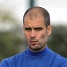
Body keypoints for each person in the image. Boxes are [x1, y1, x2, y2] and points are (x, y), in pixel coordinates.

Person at [0, 6, 67, 67]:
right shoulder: (8, 64)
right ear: (23, 30)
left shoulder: (61, 64)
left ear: (48, 30)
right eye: (28, 29)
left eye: (38, 29)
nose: (32, 35)